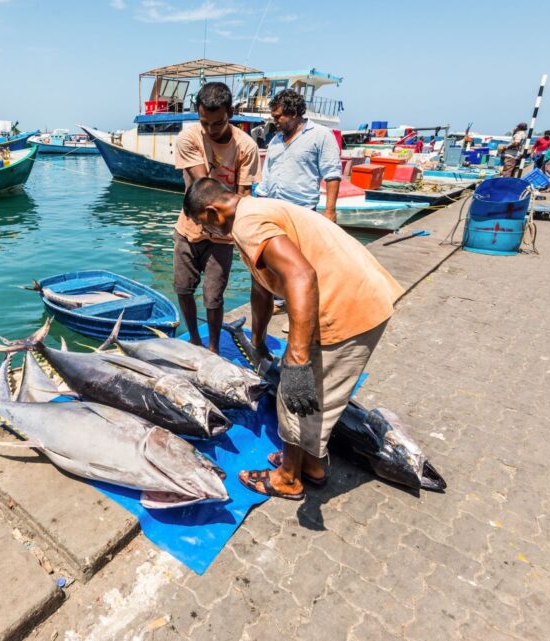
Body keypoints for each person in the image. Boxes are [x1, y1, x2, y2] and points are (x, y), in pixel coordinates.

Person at [182, 177, 404, 500]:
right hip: (361, 292)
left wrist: (296, 359)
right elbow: (262, 288)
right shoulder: (252, 213)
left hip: (345, 304)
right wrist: (257, 342)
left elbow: (301, 275)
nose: (207, 234)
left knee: (294, 392)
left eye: (204, 226)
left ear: (214, 213)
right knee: (313, 394)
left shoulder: (247, 224)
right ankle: (309, 465)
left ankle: (288, 477)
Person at [173, 81, 260, 352]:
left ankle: (212, 347)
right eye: (205, 123)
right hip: (188, 228)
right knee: (183, 288)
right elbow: (203, 188)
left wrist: (238, 232)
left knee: (213, 297)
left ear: (230, 113)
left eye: (218, 123)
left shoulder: (246, 147)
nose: (211, 130)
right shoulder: (189, 137)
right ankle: (195, 341)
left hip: (223, 236)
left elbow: (244, 195)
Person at [254, 89, 342, 222]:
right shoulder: (275, 140)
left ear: (294, 113)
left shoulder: (321, 135)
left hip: (302, 213)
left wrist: (330, 211)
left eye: (278, 117)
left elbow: (332, 174)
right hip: (272, 210)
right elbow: (267, 175)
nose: (274, 121)